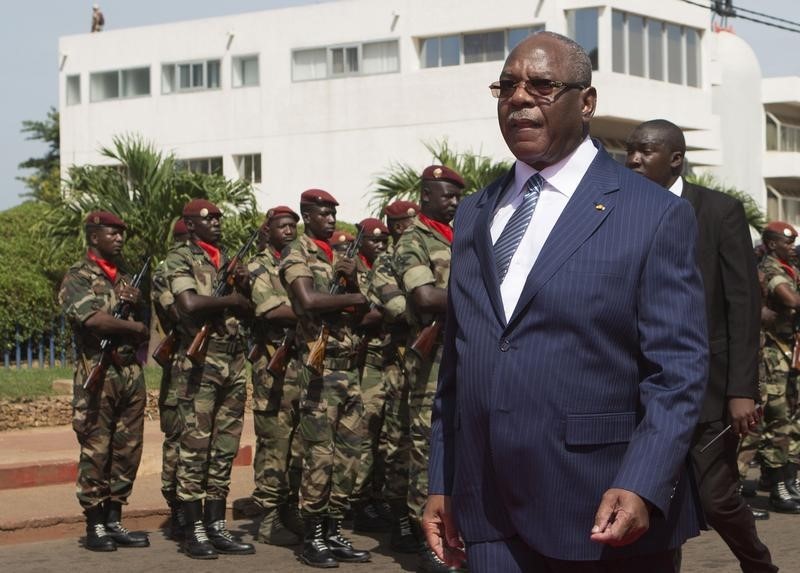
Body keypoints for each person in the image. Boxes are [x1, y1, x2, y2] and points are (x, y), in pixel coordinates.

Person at [423, 32, 709, 573]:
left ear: (587, 101)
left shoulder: (652, 213)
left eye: (542, 85)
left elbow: (678, 371)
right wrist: (444, 479)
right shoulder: (475, 213)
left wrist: (642, 481)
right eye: (506, 87)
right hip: (488, 511)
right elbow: (459, 364)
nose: (519, 98)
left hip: (604, 508)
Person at [626, 119, 776, 572]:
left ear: (675, 158)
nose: (632, 159)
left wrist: (740, 390)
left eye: (644, 151)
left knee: (715, 499)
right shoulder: (619, 211)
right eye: (629, 150)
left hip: (708, 389)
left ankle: (759, 566)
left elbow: (743, 306)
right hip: (642, 387)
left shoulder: (717, 211)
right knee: (651, 497)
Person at [279, 189, 372, 568]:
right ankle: (312, 535)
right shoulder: (296, 252)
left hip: (348, 367)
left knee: (352, 454)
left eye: (334, 213)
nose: (331, 219)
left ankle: (333, 528)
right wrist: (352, 299)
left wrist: (351, 285)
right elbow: (308, 301)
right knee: (320, 455)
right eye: (323, 213)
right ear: (307, 214)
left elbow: (370, 307)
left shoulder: (342, 256)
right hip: (319, 368)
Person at [164, 199, 255, 559]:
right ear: (189, 224)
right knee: (195, 448)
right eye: (208, 218)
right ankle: (193, 529)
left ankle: (216, 525)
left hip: (232, 363)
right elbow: (188, 304)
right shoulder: (180, 259)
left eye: (219, 217)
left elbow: (250, 310)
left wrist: (241, 291)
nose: (216, 222)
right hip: (200, 365)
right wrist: (232, 299)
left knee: (224, 449)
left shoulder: (226, 260)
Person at [59, 211, 150, 551]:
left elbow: (144, 322)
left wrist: (137, 312)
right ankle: (95, 525)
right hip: (97, 371)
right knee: (96, 450)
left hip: (128, 372)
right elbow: (93, 321)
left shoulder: (127, 277)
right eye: (111, 232)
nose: (119, 238)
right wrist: (134, 327)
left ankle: (115, 519)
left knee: (127, 449)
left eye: (121, 233)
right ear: (93, 237)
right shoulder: (78, 276)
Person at [394, 165, 464, 572]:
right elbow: (423, 297)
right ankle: (427, 543)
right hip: (430, 362)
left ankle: (457, 536)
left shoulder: (462, 236)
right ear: (425, 196)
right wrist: (476, 297)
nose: (454, 202)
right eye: (447, 195)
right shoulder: (412, 240)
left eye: (457, 195)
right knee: (426, 452)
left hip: (463, 356)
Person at [367, 200, 422, 554]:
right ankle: (402, 520)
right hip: (399, 363)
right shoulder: (387, 262)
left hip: (432, 360)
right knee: (400, 442)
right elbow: (396, 308)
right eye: (406, 223)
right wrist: (430, 305)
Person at [247, 206, 304, 545]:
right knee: (274, 443)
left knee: (298, 443)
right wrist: (309, 308)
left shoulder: (297, 263)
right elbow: (270, 309)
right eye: (282, 226)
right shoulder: (259, 266)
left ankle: (289, 510)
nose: (288, 231)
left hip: (300, 364)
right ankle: (268, 521)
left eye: (292, 226)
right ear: (267, 231)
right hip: (273, 366)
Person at [350, 217, 393, 532]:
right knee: (364, 433)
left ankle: (378, 496)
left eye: (384, 240)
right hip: (364, 362)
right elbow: (361, 316)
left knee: (386, 435)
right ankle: (358, 500)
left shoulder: (389, 267)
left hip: (389, 358)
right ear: (361, 241)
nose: (380, 245)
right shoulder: (351, 270)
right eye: (374, 240)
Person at [151, 219, 191, 540]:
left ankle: (193, 506)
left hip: (202, 366)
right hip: (178, 364)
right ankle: (176, 506)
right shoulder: (164, 273)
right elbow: (179, 312)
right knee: (177, 438)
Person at [758, 221, 800, 513]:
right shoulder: (770, 269)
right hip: (773, 353)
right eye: (787, 243)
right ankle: (776, 485)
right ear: (772, 244)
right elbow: (791, 299)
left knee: (791, 415)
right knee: (776, 415)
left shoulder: (788, 267)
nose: (792, 247)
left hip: (789, 351)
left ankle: (788, 478)